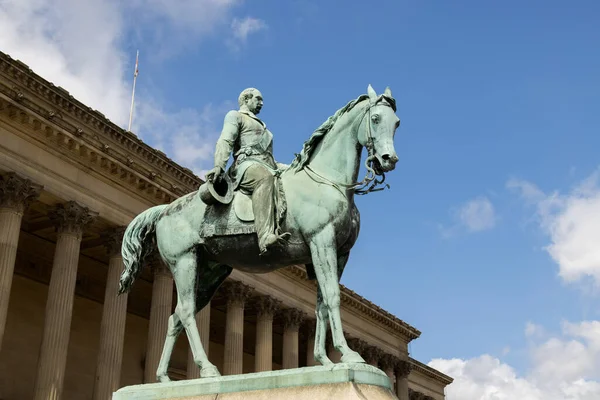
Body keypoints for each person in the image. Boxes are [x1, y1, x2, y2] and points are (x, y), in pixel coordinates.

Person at [205, 88, 290, 254]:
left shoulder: (264, 127)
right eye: (258, 99)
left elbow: (270, 158)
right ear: (246, 99)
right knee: (264, 178)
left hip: (267, 164)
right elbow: (225, 140)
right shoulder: (235, 116)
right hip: (245, 165)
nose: (261, 103)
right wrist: (219, 165)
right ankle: (265, 236)